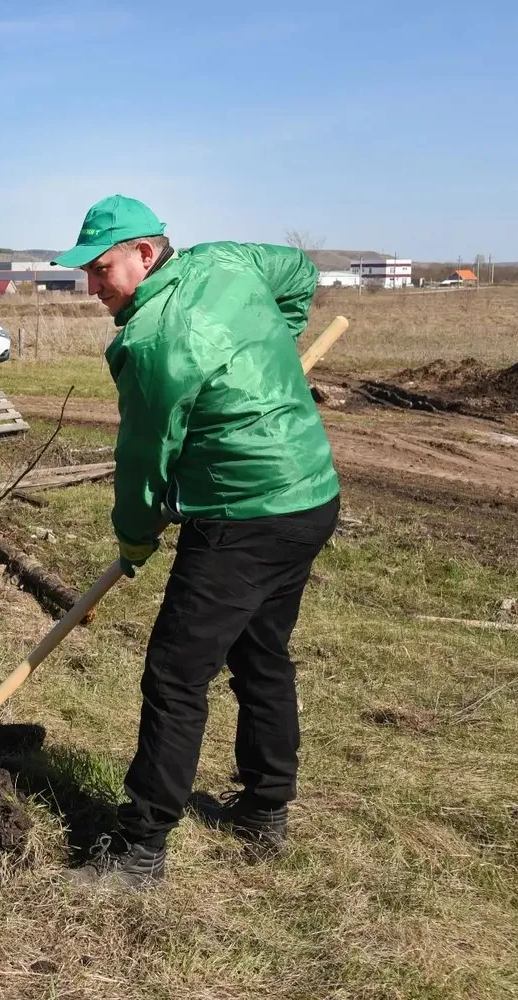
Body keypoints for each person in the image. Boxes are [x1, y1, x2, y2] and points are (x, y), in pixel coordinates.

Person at [52, 196, 340, 890]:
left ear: (146, 255)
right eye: (87, 273)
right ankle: (265, 811)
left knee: (176, 674)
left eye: (102, 270)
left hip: (243, 517)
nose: (93, 288)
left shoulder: (151, 338)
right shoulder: (227, 259)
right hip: (311, 494)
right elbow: (298, 270)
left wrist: (135, 538)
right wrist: (276, 350)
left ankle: (141, 847)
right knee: (261, 652)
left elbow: (145, 458)